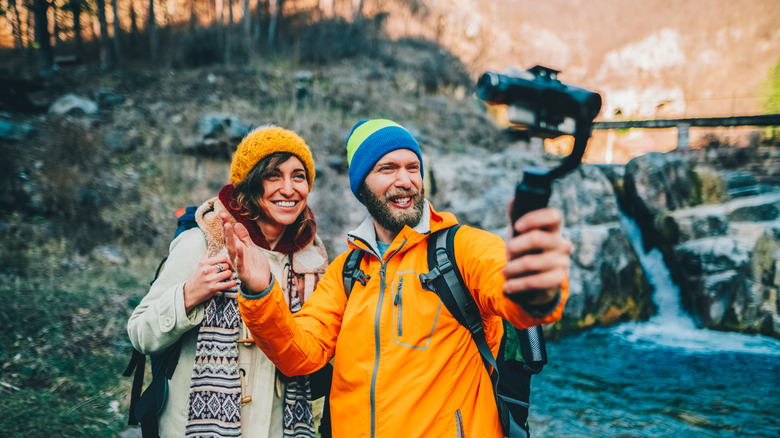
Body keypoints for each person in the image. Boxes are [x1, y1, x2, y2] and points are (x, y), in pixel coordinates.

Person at [223, 119, 572, 438]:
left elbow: (516, 297)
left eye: (412, 168)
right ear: (362, 188)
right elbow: (300, 354)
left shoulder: (461, 248)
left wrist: (537, 283)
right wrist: (260, 291)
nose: (404, 180)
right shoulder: (346, 272)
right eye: (387, 168)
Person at [127, 126, 330, 438]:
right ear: (249, 183)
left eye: (298, 176)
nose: (289, 188)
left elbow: (316, 358)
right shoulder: (203, 244)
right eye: (273, 175)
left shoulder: (312, 261)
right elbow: (140, 334)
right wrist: (188, 295)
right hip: (194, 427)